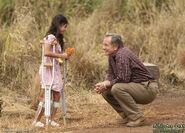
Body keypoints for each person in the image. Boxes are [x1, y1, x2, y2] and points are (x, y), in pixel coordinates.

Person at [95, 33, 159, 127]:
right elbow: (111, 75)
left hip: (147, 88)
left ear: (115, 46)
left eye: (106, 45)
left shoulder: (122, 55)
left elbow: (124, 79)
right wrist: (104, 84)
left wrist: (108, 83)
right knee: (106, 91)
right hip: (137, 87)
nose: (103, 47)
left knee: (117, 88)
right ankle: (127, 116)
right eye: (103, 44)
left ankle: (138, 117)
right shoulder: (112, 55)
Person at [32, 14, 69, 127]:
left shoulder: (59, 39)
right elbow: (47, 52)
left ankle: (51, 119)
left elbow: (58, 55)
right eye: (63, 26)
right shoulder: (50, 37)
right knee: (46, 94)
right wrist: (61, 55)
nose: (65, 29)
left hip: (55, 69)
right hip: (48, 69)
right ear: (58, 25)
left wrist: (64, 57)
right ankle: (36, 120)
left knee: (57, 94)